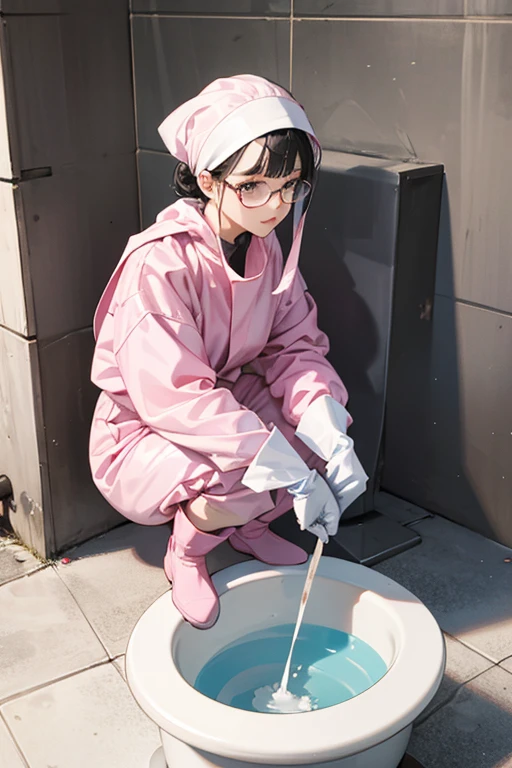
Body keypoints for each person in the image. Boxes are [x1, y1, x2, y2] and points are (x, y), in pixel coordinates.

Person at [89, 74, 367, 630]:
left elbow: (295, 344)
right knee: (245, 471)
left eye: (291, 185)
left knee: (310, 435)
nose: (277, 204)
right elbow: (177, 397)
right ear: (207, 180)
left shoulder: (263, 244)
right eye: (254, 185)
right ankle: (187, 553)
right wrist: (276, 462)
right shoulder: (160, 264)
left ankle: (247, 528)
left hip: (221, 402)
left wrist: (325, 426)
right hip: (144, 428)